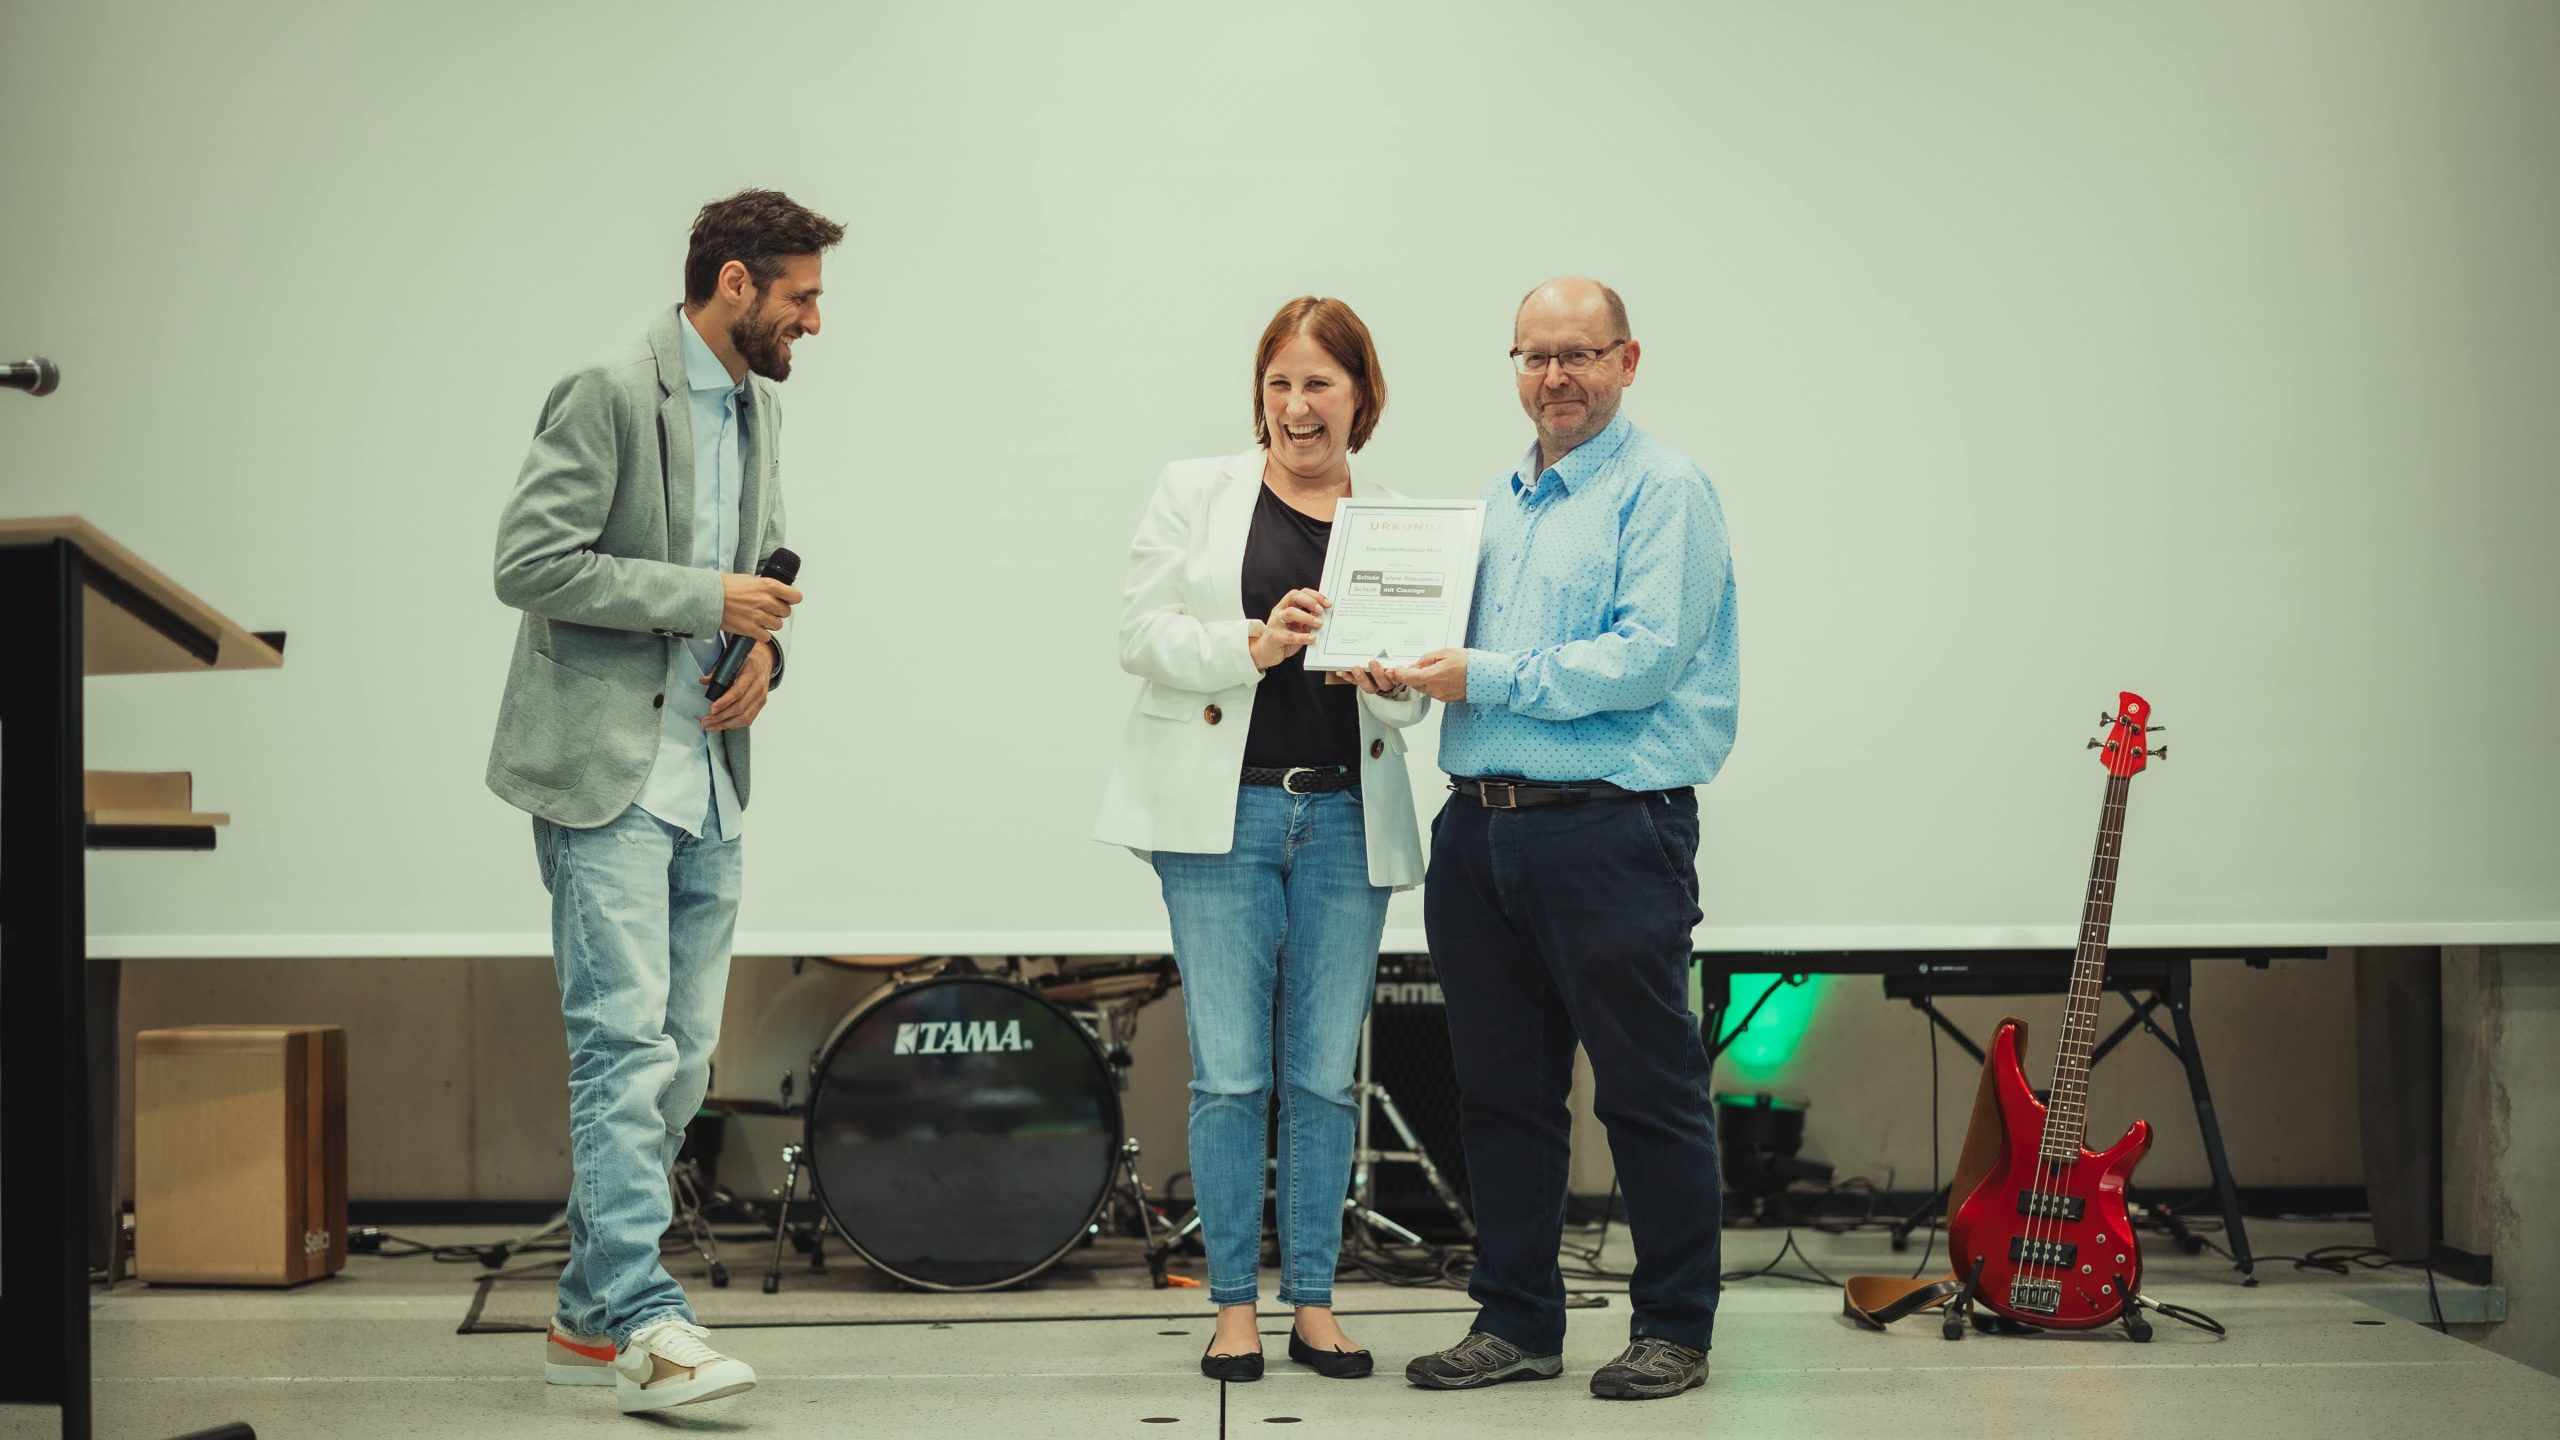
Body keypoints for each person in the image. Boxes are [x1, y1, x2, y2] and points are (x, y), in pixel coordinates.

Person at [487, 188, 840, 1414]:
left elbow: (756, 581)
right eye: (800, 296)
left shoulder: (758, 406)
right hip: (606, 776)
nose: (814, 321)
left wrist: (765, 652)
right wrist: (705, 600)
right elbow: (529, 563)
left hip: (709, 779)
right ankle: (642, 1319)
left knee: (681, 1065)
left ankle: (585, 1320)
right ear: (735, 283)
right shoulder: (605, 392)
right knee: (623, 1050)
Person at [1394, 278, 1738, 1401]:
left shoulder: (1664, 490)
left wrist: (1481, 675)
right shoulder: (1491, 510)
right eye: (1535, 356)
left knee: (1646, 1090)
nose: (1556, 377)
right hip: (1478, 832)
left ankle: (1674, 1327)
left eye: (1580, 355)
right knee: (1501, 1097)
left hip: (1612, 829)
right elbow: (1447, 656)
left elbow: (1643, 659)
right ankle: (1516, 1322)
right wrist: (1388, 663)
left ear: (1627, 360)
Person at [1095, 296, 1430, 1383]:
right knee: (1232, 1076)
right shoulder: (1196, 491)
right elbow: (1140, 634)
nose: (1296, 405)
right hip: (1222, 817)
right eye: (1278, 383)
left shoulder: (1399, 522)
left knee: (1324, 1079)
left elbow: (1411, 704)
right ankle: (1234, 1307)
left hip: (1344, 818)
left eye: (1318, 382)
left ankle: (1315, 1305)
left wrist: (1390, 682)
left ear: (1360, 395)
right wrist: (1253, 642)